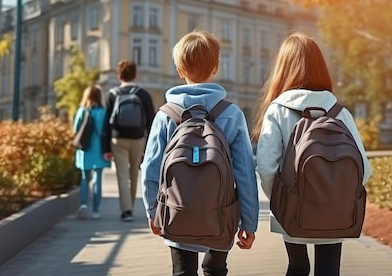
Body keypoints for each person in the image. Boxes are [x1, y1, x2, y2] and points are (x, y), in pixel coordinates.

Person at [252, 31, 372, 276]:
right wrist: (337, 194)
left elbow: (266, 167)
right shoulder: (339, 112)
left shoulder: (278, 110)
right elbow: (364, 170)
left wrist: (281, 201)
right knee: (329, 270)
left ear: (283, 69)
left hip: (292, 209)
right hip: (336, 210)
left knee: (297, 267)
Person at [140, 29, 259, 276]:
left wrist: (153, 211)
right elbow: (246, 172)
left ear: (180, 70)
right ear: (216, 67)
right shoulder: (232, 114)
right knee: (215, 270)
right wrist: (249, 222)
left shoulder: (166, 114)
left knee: (182, 272)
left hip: (176, 211)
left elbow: (150, 167)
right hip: (222, 215)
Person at [103, 59, 155, 221]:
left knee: (122, 175)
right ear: (135, 75)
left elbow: (106, 123)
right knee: (134, 174)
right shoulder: (143, 94)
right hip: (137, 139)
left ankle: (126, 211)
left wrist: (106, 148)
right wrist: (150, 145)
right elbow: (151, 121)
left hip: (118, 139)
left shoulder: (112, 94)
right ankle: (130, 207)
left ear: (119, 75)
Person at [73, 84, 111, 220]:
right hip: (100, 149)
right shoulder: (104, 112)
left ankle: (83, 204)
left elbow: (75, 129)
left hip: (85, 149)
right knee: (98, 180)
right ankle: (96, 210)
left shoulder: (82, 111)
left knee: (84, 178)